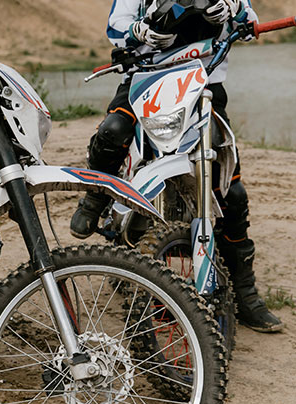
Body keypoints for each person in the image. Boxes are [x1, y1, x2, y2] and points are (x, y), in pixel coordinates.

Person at [69, 0, 283, 333]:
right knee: (113, 131)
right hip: (147, 77)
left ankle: (245, 292)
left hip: (204, 81)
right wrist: (140, 31)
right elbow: (115, 25)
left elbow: (250, 23)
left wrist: (234, 9)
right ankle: (95, 197)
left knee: (231, 191)